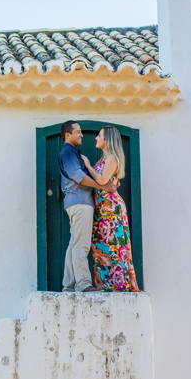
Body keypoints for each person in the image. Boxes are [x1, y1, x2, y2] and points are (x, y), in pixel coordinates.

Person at [58, 120, 116, 293]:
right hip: (80, 202)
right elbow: (78, 176)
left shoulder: (73, 152)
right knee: (81, 244)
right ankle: (83, 283)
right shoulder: (68, 153)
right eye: (78, 132)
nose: (81, 134)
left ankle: (68, 286)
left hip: (76, 202)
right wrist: (103, 187)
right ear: (68, 135)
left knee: (74, 244)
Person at [81, 125, 140, 292]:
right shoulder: (104, 159)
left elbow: (101, 180)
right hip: (102, 208)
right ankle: (106, 285)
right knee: (102, 248)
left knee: (114, 246)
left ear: (107, 140)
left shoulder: (112, 158)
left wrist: (87, 164)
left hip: (111, 209)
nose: (96, 138)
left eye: (99, 135)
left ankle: (120, 285)